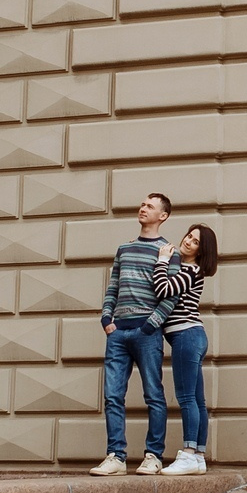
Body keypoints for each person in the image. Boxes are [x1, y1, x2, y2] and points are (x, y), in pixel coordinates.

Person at [93, 192, 172, 476]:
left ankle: (154, 456)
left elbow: (170, 297)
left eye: (150, 206)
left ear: (162, 216)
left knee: (153, 394)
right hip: (118, 331)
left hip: (146, 331)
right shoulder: (124, 249)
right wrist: (106, 318)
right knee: (113, 395)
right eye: (142, 204)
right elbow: (113, 286)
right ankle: (116, 456)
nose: (143, 208)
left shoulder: (167, 252)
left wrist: (150, 325)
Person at [147, 223, 218, 475]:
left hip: (186, 335)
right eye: (189, 236)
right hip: (193, 335)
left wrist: (162, 260)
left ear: (202, 250)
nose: (188, 241)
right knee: (198, 400)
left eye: (196, 241)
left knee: (187, 398)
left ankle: (188, 454)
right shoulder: (189, 269)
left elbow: (163, 289)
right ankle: (198, 455)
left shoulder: (190, 270)